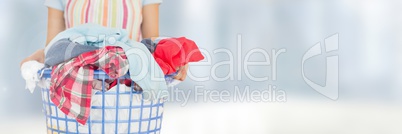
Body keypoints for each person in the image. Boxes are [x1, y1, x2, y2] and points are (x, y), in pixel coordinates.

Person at [20, 0, 188, 80]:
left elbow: (151, 43)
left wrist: (171, 56)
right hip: (75, 87)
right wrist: (41, 55)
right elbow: (54, 46)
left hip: (128, 95)